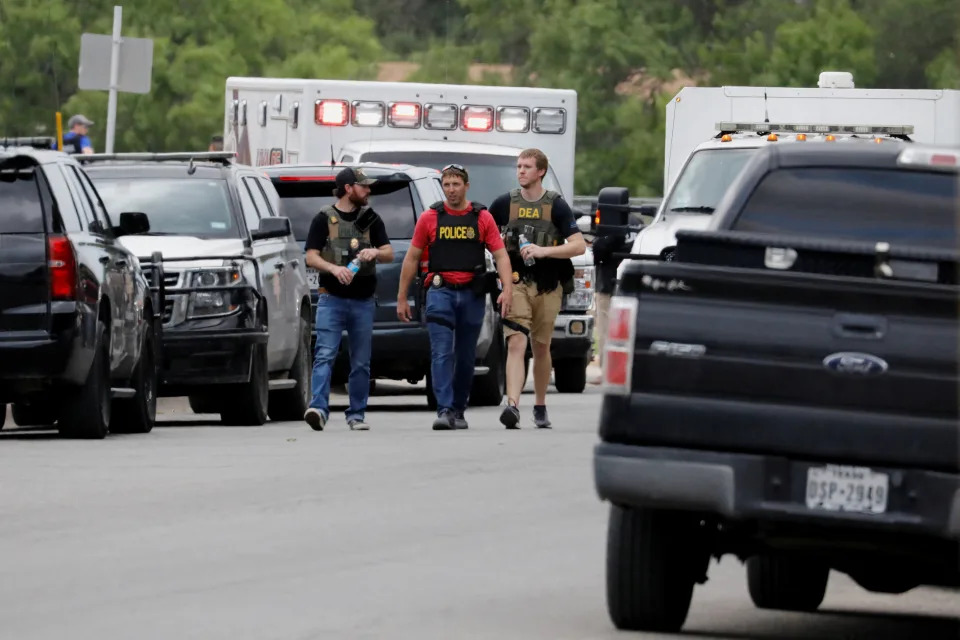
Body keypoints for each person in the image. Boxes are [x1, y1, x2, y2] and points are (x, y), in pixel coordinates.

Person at [397, 164, 513, 430]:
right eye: (447, 184)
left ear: (466, 186)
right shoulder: (430, 218)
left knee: (465, 356)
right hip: (440, 291)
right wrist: (402, 297)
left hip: (472, 293)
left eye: (456, 184)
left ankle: (459, 408)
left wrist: (507, 289)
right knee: (441, 353)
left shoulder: (482, 217)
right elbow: (412, 257)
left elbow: (500, 255)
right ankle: (445, 409)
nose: (451, 190)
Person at [489, 148, 586, 429]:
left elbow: (578, 245)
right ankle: (513, 405)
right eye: (519, 166)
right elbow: (486, 233)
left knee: (541, 346)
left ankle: (540, 404)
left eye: (527, 167)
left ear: (541, 171)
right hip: (516, 282)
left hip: (547, 285)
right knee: (516, 342)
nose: (521, 171)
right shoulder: (504, 203)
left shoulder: (555, 205)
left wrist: (543, 251)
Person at [302, 167, 394, 431]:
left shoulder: (371, 218)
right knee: (324, 355)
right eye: (363, 186)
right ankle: (318, 409)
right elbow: (311, 256)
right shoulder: (324, 218)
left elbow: (388, 252)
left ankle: (357, 414)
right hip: (331, 299)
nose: (368, 191)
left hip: (363, 301)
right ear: (347, 188)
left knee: (361, 360)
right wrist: (333, 269)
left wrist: (374, 253)